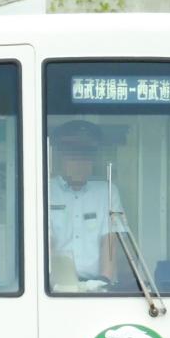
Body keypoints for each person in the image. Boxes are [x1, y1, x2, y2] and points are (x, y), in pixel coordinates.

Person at [48, 120, 124, 282]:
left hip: (97, 284)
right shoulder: (45, 190)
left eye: (86, 157)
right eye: (73, 157)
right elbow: (46, 243)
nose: (80, 163)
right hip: (54, 285)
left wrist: (104, 281)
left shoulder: (108, 192)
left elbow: (110, 241)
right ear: (61, 158)